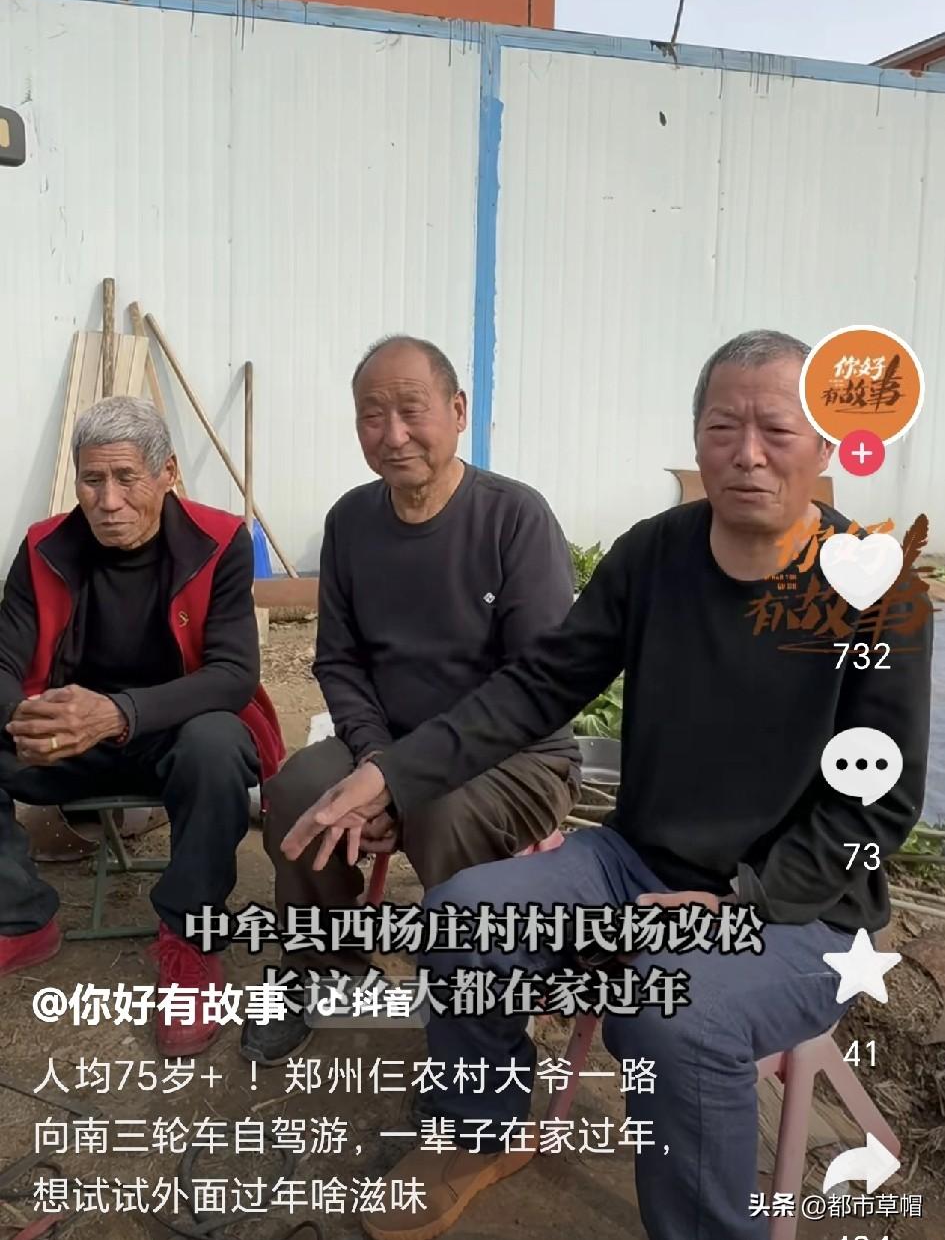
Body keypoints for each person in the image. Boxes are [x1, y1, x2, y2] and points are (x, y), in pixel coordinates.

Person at [281, 329, 932, 1240]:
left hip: (801, 908)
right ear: (695, 437)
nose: (746, 454)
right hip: (632, 862)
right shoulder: (655, 554)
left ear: (822, 443)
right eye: (722, 428)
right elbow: (537, 686)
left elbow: (878, 803)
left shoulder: (878, 590)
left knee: (672, 1014)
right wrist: (389, 773)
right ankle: (477, 1130)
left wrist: (744, 900)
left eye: (775, 431)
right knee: (462, 919)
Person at [241, 335, 582, 1066]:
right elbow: (339, 661)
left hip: (516, 758)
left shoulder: (515, 519)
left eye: (411, 410)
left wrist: (397, 782)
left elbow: (535, 687)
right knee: (298, 791)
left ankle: (477, 1004)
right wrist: (375, 761)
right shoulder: (351, 522)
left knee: (440, 808)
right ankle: (322, 969)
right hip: (387, 743)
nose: (392, 435)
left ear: (457, 411)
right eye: (372, 415)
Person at [0, 395, 284, 1056]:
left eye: (127, 478)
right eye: (92, 480)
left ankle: (189, 938)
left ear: (168, 473)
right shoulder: (43, 547)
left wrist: (118, 713)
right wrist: (27, 717)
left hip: (171, 731)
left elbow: (233, 673)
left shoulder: (219, 541)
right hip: (69, 740)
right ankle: (19, 917)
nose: (108, 501)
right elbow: (4, 662)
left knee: (215, 743)